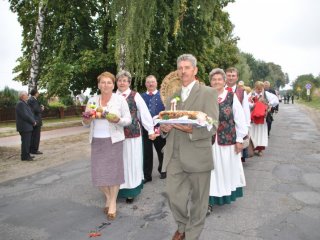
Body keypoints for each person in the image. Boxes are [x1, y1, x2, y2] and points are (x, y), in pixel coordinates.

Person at [160, 54, 219, 240]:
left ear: (195, 70)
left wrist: (191, 130)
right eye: (180, 68)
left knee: (199, 201)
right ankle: (182, 225)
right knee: (172, 195)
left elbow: (213, 125)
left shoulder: (208, 93)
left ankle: (192, 234)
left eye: (187, 67)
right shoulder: (172, 97)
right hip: (174, 155)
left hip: (198, 155)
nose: (183, 71)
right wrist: (164, 128)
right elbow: (165, 124)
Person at [82, 71, 131, 221]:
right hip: (97, 141)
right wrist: (87, 119)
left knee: (113, 173)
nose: (106, 85)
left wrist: (118, 120)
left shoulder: (119, 100)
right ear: (98, 85)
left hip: (114, 140)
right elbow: (85, 123)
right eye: (103, 82)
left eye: (109, 82)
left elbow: (128, 120)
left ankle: (112, 205)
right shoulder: (92, 100)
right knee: (99, 175)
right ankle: (110, 198)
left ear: (113, 84)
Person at [208, 68, 248, 213]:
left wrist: (239, 140)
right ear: (210, 82)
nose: (216, 81)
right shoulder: (206, 97)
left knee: (224, 170)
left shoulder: (231, 97)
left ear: (224, 81)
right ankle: (209, 200)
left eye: (219, 79)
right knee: (210, 171)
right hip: (209, 142)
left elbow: (240, 120)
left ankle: (223, 195)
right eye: (214, 79)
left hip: (227, 142)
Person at [116, 70, 156, 204]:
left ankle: (131, 191)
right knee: (119, 162)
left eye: (124, 80)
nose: (122, 83)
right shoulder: (112, 96)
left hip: (132, 134)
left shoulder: (135, 95)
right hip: (116, 134)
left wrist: (150, 130)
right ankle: (117, 188)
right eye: (120, 80)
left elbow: (144, 114)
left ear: (129, 82)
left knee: (131, 161)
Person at [141, 75, 166, 182]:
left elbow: (167, 112)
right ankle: (147, 175)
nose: (150, 84)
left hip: (160, 128)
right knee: (147, 153)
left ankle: (163, 170)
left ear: (156, 83)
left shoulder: (163, 96)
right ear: (145, 84)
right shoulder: (141, 97)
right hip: (145, 129)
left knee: (162, 151)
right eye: (148, 82)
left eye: (153, 82)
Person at [225, 67, 251, 162]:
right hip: (222, 128)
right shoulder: (219, 90)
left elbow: (246, 112)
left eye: (233, 76)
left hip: (236, 127)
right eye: (229, 75)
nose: (231, 78)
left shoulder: (241, 93)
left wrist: (246, 130)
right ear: (225, 76)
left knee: (236, 156)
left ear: (237, 77)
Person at [248, 81, 279, 156]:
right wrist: (253, 104)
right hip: (253, 118)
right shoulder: (251, 94)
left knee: (261, 133)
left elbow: (276, 100)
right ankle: (252, 147)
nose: (259, 90)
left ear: (263, 88)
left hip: (262, 118)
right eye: (257, 88)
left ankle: (260, 149)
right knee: (252, 132)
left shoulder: (266, 94)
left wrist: (268, 104)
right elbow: (246, 103)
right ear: (255, 88)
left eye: (260, 89)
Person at [15, 91, 37, 161]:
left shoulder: (24, 103)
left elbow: (29, 113)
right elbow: (25, 115)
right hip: (24, 127)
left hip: (27, 126)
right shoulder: (20, 104)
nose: (27, 96)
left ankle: (26, 155)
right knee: (25, 142)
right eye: (26, 95)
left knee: (27, 142)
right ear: (22, 96)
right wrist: (33, 121)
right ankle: (25, 156)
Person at [28, 89, 44, 155]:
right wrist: (42, 108)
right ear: (35, 93)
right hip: (36, 120)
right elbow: (36, 109)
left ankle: (31, 149)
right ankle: (34, 150)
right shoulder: (33, 100)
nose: (39, 93)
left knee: (33, 136)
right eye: (38, 92)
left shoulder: (31, 99)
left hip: (34, 119)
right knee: (36, 136)